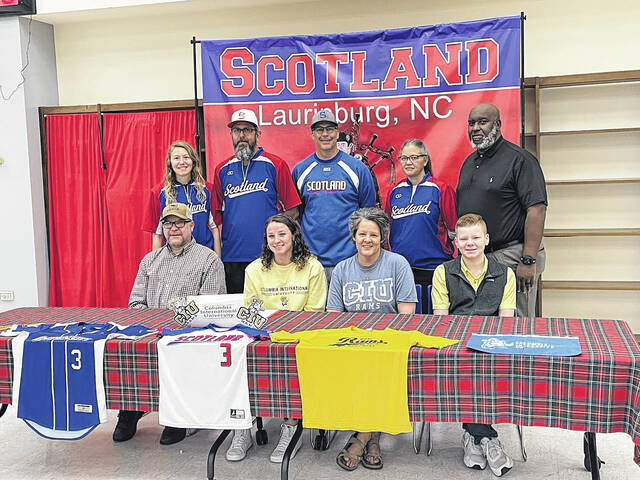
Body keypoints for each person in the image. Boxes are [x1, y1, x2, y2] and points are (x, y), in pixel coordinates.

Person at [113, 202, 226, 446]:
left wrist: (172, 329)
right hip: (150, 331)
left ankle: (177, 415)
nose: (173, 228)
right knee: (122, 349)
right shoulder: (149, 260)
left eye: (179, 223)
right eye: (168, 223)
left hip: (188, 336)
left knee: (179, 352)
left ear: (191, 226)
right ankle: (129, 409)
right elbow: (135, 303)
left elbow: (207, 309)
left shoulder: (209, 260)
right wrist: (152, 326)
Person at [226, 214, 327, 463]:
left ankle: (291, 428)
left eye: (282, 234)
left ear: (293, 235)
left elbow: (315, 313)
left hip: (299, 336)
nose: (277, 240)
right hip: (265, 336)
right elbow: (252, 312)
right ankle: (242, 428)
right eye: (271, 236)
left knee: (289, 360)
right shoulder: (254, 269)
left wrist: (286, 335)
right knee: (236, 357)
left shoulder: (313, 267)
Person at [326, 207, 417, 471]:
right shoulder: (342, 269)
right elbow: (334, 317)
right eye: (362, 234)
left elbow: (406, 315)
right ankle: (373, 437)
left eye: (374, 235)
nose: (367, 239)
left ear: (382, 237)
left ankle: (362, 437)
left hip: (387, 343)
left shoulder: (397, 264)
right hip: (351, 344)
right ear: (353, 236)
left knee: (378, 368)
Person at [431, 213, 516, 477]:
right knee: (470, 368)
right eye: (464, 238)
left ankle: (474, 437)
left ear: (486, 239)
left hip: (493, 344)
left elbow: (506, 322)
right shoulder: (443, 272)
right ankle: (487, 438)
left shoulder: (505, 273)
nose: (470, 243)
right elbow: (441, 322)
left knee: (484, 368)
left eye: (476, 237)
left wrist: (490, 346)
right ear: (455, 242)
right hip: (457, 345)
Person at [456, 103, 547, 319]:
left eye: (482, 122)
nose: (475, 128)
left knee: (518, 325)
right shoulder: (469, 162)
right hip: (479, 257)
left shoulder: (520, 159)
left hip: (513, 255)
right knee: (485, 323)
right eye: (471, 123)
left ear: (497, 124)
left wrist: (528, 260)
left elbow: (537, 209)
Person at [214, 109, 301, 294]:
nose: (242, 135)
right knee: (237, 314)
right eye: (237, 130)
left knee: (271, 312)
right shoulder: (221, 170)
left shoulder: (275, 164)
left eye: (248, 130)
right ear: (231, 135)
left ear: (258, 134)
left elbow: (293, 211)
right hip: (233, 257)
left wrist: (276, 238)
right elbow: (217, 216)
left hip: (270, 256)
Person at [292, 109, 376, 283]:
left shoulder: (357, 169)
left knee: (350, 311)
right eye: (319, 129)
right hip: (312, 262)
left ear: (337, 132)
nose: (325, 134)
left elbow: (368, 216)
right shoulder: (300, 170)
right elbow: (297, 214)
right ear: (312, 134)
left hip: (350, 261)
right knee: (315, 311)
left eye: (330, 129)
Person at [388, 139, 457, 311]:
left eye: (414, 157)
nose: (408, 162)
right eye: (404, 158)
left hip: (433, 269)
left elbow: (453, 229)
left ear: (425, 160)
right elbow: (388, 227)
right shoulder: (394, 191)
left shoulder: (440, 188)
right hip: (401, 270)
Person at [144, 141, 221, 257]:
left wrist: (218, 262)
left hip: (205, 257)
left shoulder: (208, 189)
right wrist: (155, 268)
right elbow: (157, 235)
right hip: (175, 259)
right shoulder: (159, 193)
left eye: (186, 157)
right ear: (170, 163)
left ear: (193, 161)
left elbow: (215, 229)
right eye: (176, 158)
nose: (182, 162)